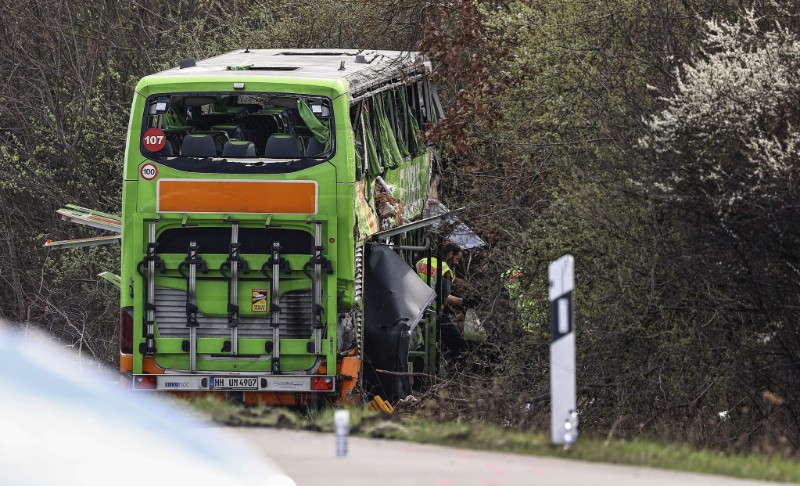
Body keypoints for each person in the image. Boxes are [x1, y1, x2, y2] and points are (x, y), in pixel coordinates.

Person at [415, 241, 477, 358]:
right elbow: (444, 297)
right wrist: (464, 302)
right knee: (461, 347)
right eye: (457, 259)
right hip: (433, 312)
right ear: (450, 254)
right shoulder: (445, 270)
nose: (456, 263)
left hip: (415, 308)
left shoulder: (422, 262)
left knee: (426, 347)